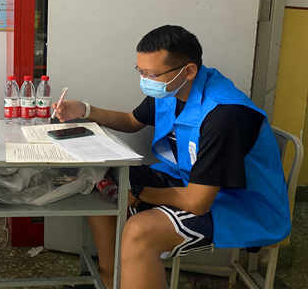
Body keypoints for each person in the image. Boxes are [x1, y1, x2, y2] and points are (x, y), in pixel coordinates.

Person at [53, 25, 291, 289]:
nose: (146, 80)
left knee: (141, 231)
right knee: (102, 183)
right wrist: (85, 110)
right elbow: (131, 121)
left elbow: (197, 202)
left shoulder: (225, 115)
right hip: (188, 180)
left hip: (238, 203)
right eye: (141, 72)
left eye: (152, 74)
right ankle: (111, 279)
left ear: (188, 70)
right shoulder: (171, 88)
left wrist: (140, 192)